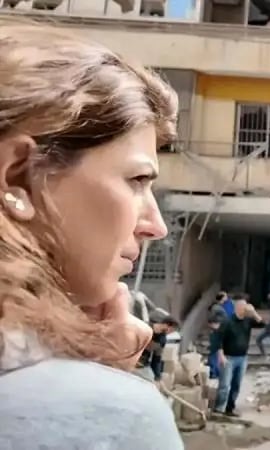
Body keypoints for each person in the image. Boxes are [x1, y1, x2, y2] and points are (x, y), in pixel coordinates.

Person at [0, 22, 183, 449]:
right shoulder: (113, 413)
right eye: (137, 180)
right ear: (19, 177)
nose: (156, 225)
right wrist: (106, 395)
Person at [213, 292, 266, 416]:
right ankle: (219, 409)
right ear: (236, 306)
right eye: (242, 305)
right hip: (229, 357)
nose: (244, 308)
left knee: (236, 385)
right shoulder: (227, 321)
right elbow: (218, 338)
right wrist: (221, 355)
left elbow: (263, 324)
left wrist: (254, 313)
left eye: (245, 305)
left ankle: (230, 409)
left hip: (242, 358)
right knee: (225, 385)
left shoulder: (248, 320)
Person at [135, 316, 179, 382]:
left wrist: (157, 375)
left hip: (142, 363)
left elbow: (156, 359)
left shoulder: (162, 340)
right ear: (167, 325)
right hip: (131, 357)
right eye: (172, 330)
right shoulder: (144, 327)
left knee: (150, 379)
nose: (170, 333)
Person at [207, 291, 230, 379]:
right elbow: (211, 318)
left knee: (217, 351)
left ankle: (216, 371)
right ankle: (213, 371)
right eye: (225, 296)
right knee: (214, 351)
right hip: (216, 332)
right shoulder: (216, 307)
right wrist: (214, 326)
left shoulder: (219, 307)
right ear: (222, 298)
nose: (227, 298)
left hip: (220, 331)